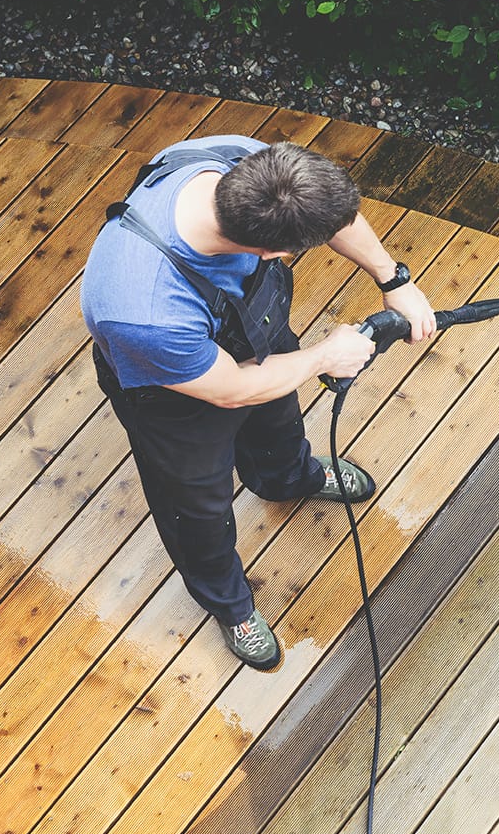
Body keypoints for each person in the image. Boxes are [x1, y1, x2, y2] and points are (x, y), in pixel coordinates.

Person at [81, 134, 436, 671]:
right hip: (173, 395)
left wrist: (394, 278)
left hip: (252, 334)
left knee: (278, 422)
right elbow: (233, 389)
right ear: (273, 253)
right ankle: (231, 604)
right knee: (196, 506)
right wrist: (325, 357)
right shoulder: (141, 305)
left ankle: (288, 479)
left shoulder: (247, 167)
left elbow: (335, 215)